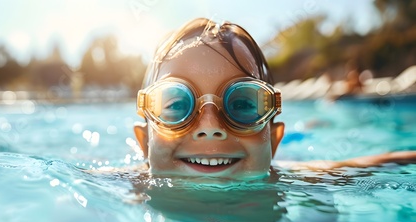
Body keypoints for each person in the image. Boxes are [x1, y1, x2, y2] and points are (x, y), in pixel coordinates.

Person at [132, 18, 416, 180]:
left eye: (241, 105)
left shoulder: (297, 178)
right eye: (177, 105)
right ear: (145, 143)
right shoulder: (121, 184)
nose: (210, 126)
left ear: (274, 139)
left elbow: (386, 161)